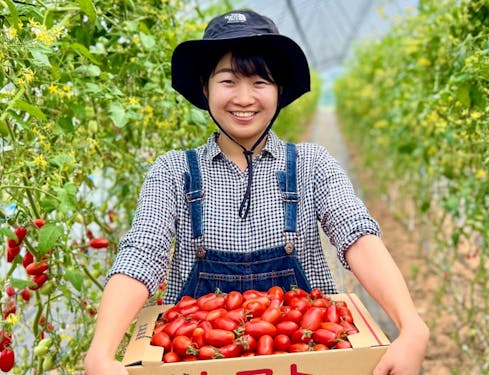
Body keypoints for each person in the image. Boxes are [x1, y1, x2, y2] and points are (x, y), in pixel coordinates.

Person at [84, 9, 429, 375]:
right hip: (198, 361)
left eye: (260, 82)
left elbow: (356, 234)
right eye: (228, 81)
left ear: (280, 91)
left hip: (308, 359)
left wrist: (410, 324)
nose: (244, 98)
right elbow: (143, 252)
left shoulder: (312, 164)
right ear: (205, 87)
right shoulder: (173, 172)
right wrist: (101, 350)